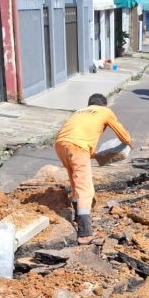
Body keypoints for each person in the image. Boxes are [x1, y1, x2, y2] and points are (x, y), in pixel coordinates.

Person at [54, 93, 134, 244]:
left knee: (75, 180)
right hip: (78, 146)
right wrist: (129, 142)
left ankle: (78, 215)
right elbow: (121, 132)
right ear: (104, 105)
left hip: (60, 144)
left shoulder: (79, 111)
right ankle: (84, 233)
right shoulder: (104, 111)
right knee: (85, 188)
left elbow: (75, 133)